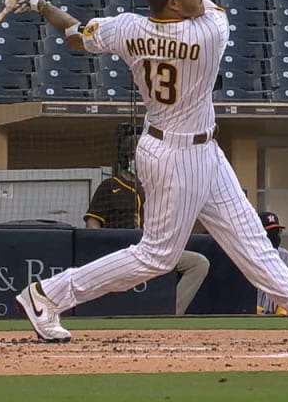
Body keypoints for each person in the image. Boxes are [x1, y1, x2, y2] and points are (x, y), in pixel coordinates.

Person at [5, 0, 288, 343]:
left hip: (194, 149)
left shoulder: (127, 28)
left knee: (251, 238)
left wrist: (39, 4)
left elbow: (76, 36)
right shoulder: (207, 33)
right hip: (176, 158)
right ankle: (47, 294)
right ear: (173, 3)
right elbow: (216, 9)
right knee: (156, 257)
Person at [84, 135, 210, 316]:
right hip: (120, 251)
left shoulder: (154, 187)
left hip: (153, 250)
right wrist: (102, 248)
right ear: (129, 159)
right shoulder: (110, 186)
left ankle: (170, 313)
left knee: (198, 263)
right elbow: (92, 223)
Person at [256, 211, 288, 316]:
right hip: (250, 315)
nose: (274, 236)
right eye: (269, 233)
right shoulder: (246, 257)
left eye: (277, 232)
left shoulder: (286, 258)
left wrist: (284, 308)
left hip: (276, 316)